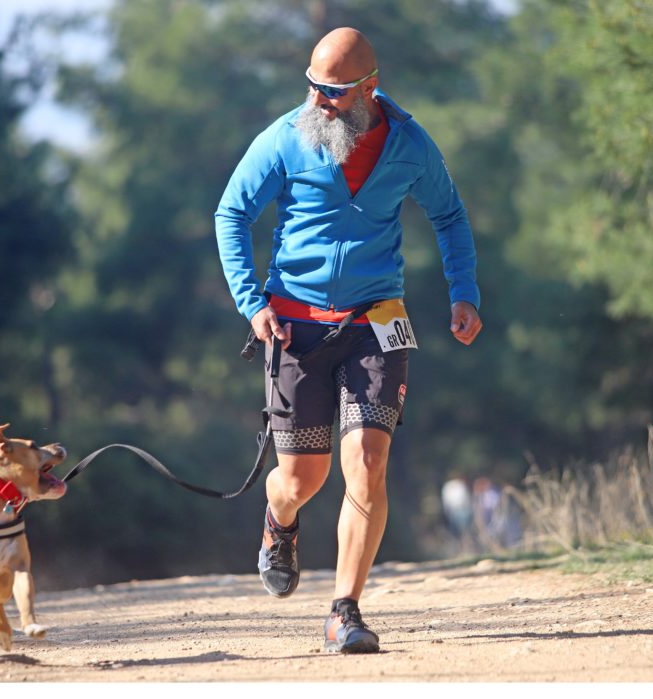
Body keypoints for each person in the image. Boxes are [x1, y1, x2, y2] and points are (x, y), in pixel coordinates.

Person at [215, 27, 482, 654]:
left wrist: (462, 289)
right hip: (294, 325)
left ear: (369, 88)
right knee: (301, 479)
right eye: (312, 86)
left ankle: (345, 611)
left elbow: (449, 214)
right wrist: (252, 304)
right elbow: (231, 213)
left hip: (376, 320)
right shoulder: (284, 138)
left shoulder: (410, 145)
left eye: (332, 92)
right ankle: (279, 521)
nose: (317, 101)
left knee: (366, 460)